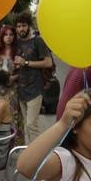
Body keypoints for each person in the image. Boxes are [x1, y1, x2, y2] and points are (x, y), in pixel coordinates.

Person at [13, 11, 53, 143]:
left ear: (29, 25)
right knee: (26, 125)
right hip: (21, 89)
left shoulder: (37, 41)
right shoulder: (16, 43)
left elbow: (48, 62)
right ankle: (28, 153)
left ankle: (36, 157)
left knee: (31, 125)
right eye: (18, 26)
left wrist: (26, 63)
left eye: (23, 25)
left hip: (35, 89)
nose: (21, 29)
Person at [0, 24, 25, 144]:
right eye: (6, 34)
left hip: (11, 89)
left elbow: (22, 72)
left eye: (11, 34)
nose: (8, 37)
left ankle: (14, 143)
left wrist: (13, 78)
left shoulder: (18, 51)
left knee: (13, 115)